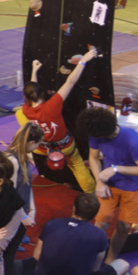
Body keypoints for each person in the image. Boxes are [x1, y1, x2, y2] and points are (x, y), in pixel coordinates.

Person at [18, 47, 99, 192]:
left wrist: (34, 71)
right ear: (42, 94)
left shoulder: (26, 109)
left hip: (41, 149)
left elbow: (31, 92)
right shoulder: (52, 106)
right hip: (64, 147)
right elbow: (70, 82)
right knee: (77, 164)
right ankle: (92, 193)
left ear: (26, 98)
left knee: (18, 114)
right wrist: (84, 60)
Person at [82, 106, 138, 261]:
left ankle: (110, 259)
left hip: (134, 187)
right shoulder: (95, 133)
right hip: (110, 184)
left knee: (124, 227)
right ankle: (92, 258)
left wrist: (116, 169)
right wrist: (99, 181)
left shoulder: (132, 139)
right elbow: (93, 158)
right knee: (101, 224)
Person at [35, 192, 131, 275]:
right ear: (95, 215)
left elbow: (37, 255)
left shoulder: (51, 224)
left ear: (74, 208)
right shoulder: (99, 235)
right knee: (123, 264)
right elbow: (94, 270)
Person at [1, 122, 43, 275]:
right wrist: (23, 216)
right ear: (31, 143)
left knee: (12, 248)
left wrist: (32, 208)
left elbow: (26, 184)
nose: (38, 147)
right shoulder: (12, 160)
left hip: (20, 212)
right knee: (6, 252)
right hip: (11, 215)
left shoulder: (24, 157)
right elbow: (9, 193)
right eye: (38, 144)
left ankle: (8, 267)